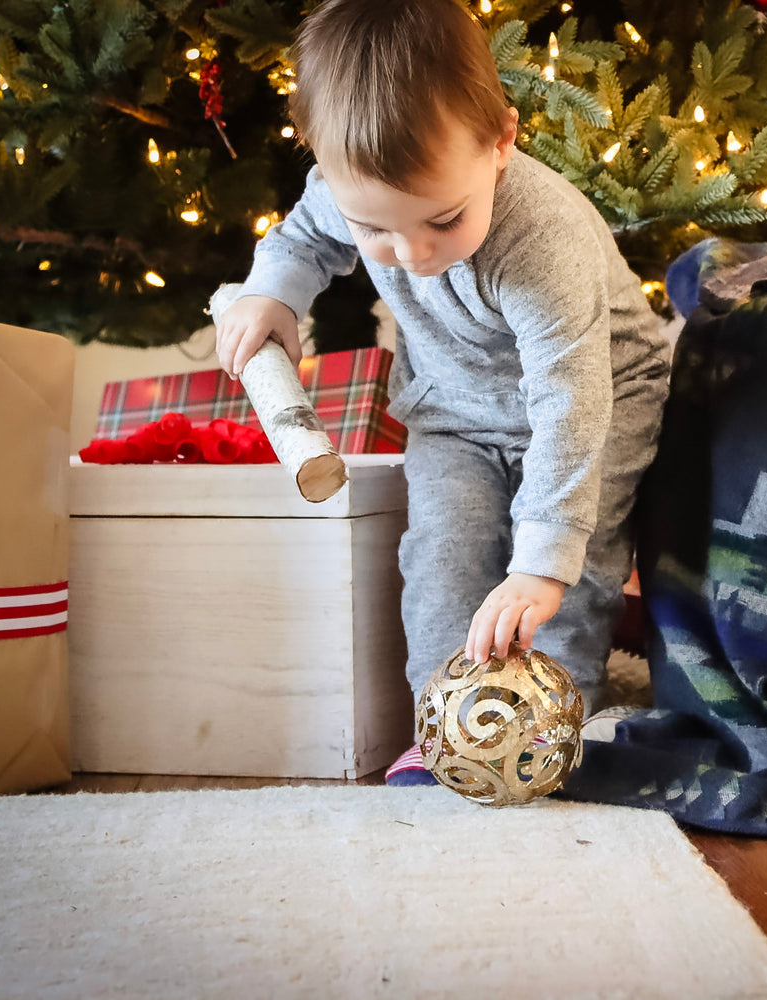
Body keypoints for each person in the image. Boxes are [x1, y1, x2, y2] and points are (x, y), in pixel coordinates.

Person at [215, 0, 669, 784]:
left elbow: (571, 401)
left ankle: (560, 735)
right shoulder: (346, 196)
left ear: (501, 141)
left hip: (595, 403)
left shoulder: (541, 239)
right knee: (442, 561)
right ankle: (443, 731)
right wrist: (274, 295)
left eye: (443, 221)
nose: (411, 253)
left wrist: (540, 562)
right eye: (376, 231)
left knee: (572, 573)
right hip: (456, 411)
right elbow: (303, 236)